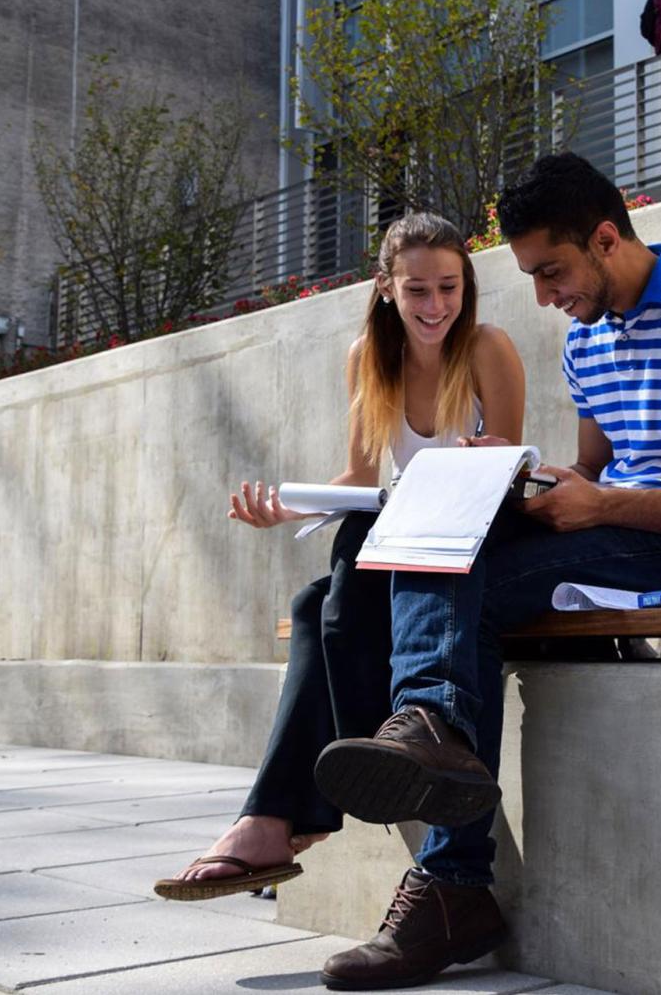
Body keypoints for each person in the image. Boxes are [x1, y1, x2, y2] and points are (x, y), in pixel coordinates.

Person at [312, 152, 661, 989]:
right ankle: (435, 755)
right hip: (616, 530)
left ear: (607, 239)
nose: (542, 296)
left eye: (551, 271)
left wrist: (601, 505)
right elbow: (596, 474)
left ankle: (447, 852)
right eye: (532, 276)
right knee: (440, 525)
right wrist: (525, 485)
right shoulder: (588, 340)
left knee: (472, 585)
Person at [153, 211, 525, 906]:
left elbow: (510, 470)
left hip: (471, 536)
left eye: (449, 287)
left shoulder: (487, 347)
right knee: (315, 594)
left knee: (342, 574)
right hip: (402, 538)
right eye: (417, 290)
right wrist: (291, 508)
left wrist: (485, 456)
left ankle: (284, 816)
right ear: (386, 286)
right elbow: (358, 478)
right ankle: (305, 801)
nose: (435, 305)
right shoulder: (367, 356)